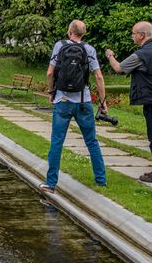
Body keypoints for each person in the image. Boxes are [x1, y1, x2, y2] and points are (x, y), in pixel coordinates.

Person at [105, 21, 152, 184]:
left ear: (142, 35)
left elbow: (119, 68)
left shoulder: (141, 54)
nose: (132, 37)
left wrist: (110, 55)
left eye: (133, 34)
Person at [43, 20, 108, 193]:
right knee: (91, 141)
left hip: (62, 101)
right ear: (83, 34)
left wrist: (51, 92)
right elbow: (99, 77)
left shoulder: (60, 45)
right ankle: (101, 180)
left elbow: (50, 72)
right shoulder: (89, 49)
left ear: (69, 31)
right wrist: (103, 102)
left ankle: (50, 184)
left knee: (57, 142)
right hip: (83, 100)